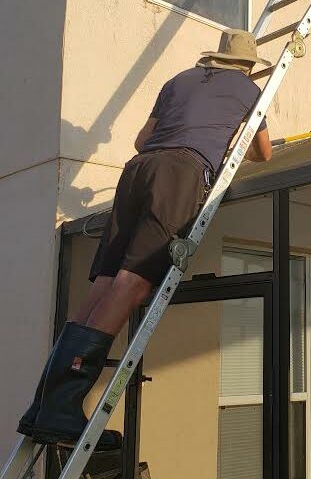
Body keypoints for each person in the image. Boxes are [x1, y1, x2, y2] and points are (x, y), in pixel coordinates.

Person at [17, 29, 273, 450]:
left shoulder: (177, 82)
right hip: (181, 171)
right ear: (246, 66)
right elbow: (261, 152)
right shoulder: (249, 88)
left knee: (103, 283)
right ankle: (63, 405)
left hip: (138, 170)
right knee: (133, 282)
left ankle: (45, 402)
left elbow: (140, 140)